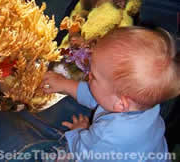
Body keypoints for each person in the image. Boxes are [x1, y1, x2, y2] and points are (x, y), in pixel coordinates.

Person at [40, 26, 178, 161]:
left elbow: (82, 151)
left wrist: (79, 131)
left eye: (93, 76)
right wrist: (64, 84)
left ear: (120, 103)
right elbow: (100, 97)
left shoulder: (107, 135)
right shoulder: (141, 103)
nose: (88, 76)